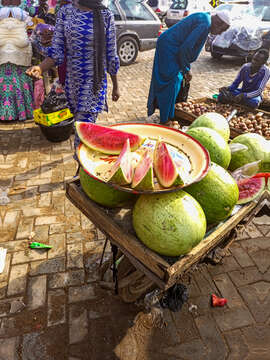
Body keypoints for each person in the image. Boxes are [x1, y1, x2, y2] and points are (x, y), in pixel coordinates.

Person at [26, 0, 120, 152]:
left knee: (84, 131)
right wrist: (40, 67)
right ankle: (85, 166)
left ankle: (81, 169)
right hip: (72, 83)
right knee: (79, 127)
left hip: (94, 84)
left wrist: (116, 86)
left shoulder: (105, 15)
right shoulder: (66, 12)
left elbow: (111, 54)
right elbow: (57, 50)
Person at [147, 11, 231, 127]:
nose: (220, 33)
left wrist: (185, 67)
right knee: (170, 82)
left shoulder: (205, 19)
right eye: (222, 30)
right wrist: (186, 69)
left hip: (172, 48)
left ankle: (169, 113)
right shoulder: (205, 24)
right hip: (169, 49)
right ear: (218, 23)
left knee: (175, 80)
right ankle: (164, 119)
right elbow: (185, 49)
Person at [0, 6, 34, 121]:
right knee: (18, 82)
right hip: (17, 56)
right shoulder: (23, 14)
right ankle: (22, 112)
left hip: (14, 57)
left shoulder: (23, 14)